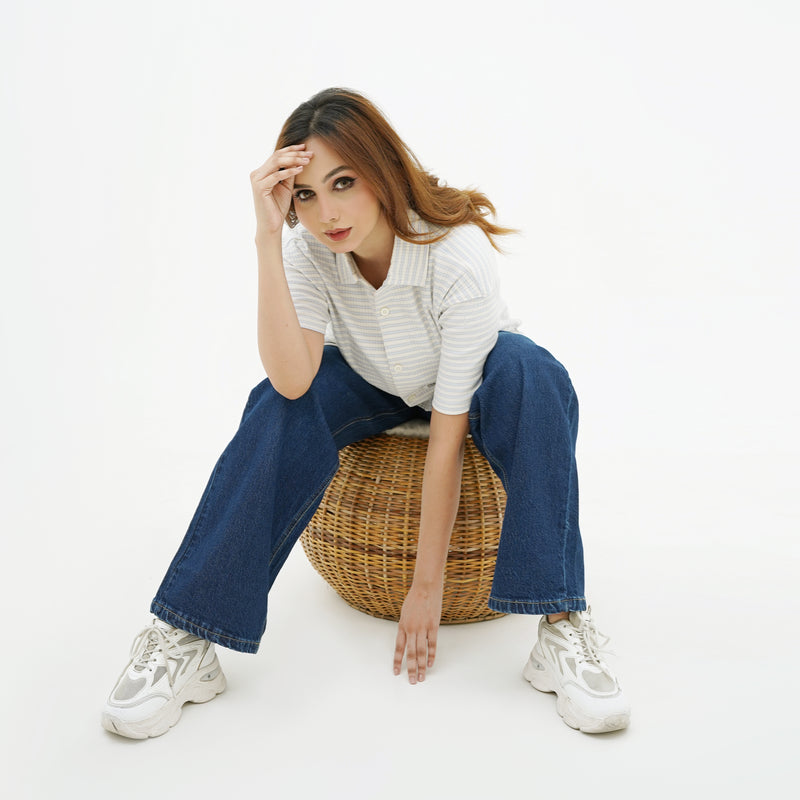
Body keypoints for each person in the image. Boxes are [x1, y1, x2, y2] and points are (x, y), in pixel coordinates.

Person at [101, 88, 630, 739]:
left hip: (473, 379)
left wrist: (425, 586)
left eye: (343, 183)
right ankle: (188, 632)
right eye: (305, 195)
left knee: (535, 372)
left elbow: (445, 436)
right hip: (371, 378)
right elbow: (294, 377)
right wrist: (269, 239)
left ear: (379, 170)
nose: (327, 213)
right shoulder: (306, 249)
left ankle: (560, 626)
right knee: (275, 400)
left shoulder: (454, 254)